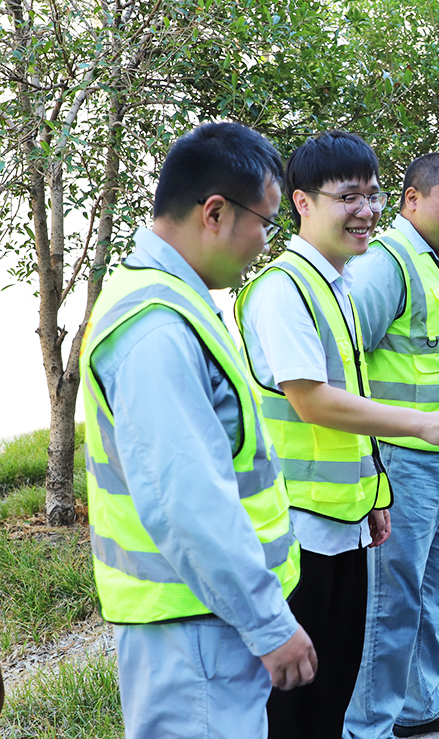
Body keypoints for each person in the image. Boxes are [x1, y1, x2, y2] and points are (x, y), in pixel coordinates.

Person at [235, 132, 439, 738]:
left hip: (345, 521)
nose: (366, 211)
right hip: (297, 528)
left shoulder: (338, 285)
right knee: (298, 705)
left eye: (371, 196)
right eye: (349, 197)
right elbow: (313, 400)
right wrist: (425, 424)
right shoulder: (284, 288)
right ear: (301, 201)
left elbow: (358, 394)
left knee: (335, 681)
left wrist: (374, 498)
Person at [80, 122, 316, 739]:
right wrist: (268, 624)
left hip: (204, 617)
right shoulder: (156, 326)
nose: (265, 241)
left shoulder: (173, 300)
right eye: (264, 221)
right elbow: (188, 503)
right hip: (194, 626)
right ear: (215, 212)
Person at [342, 153, 439, 739]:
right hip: (405, 461)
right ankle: (367, 727)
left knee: (429, 591)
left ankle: (418, 705)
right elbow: (348, 361)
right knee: (393, 600)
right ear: (411, 200)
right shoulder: (390, 263)